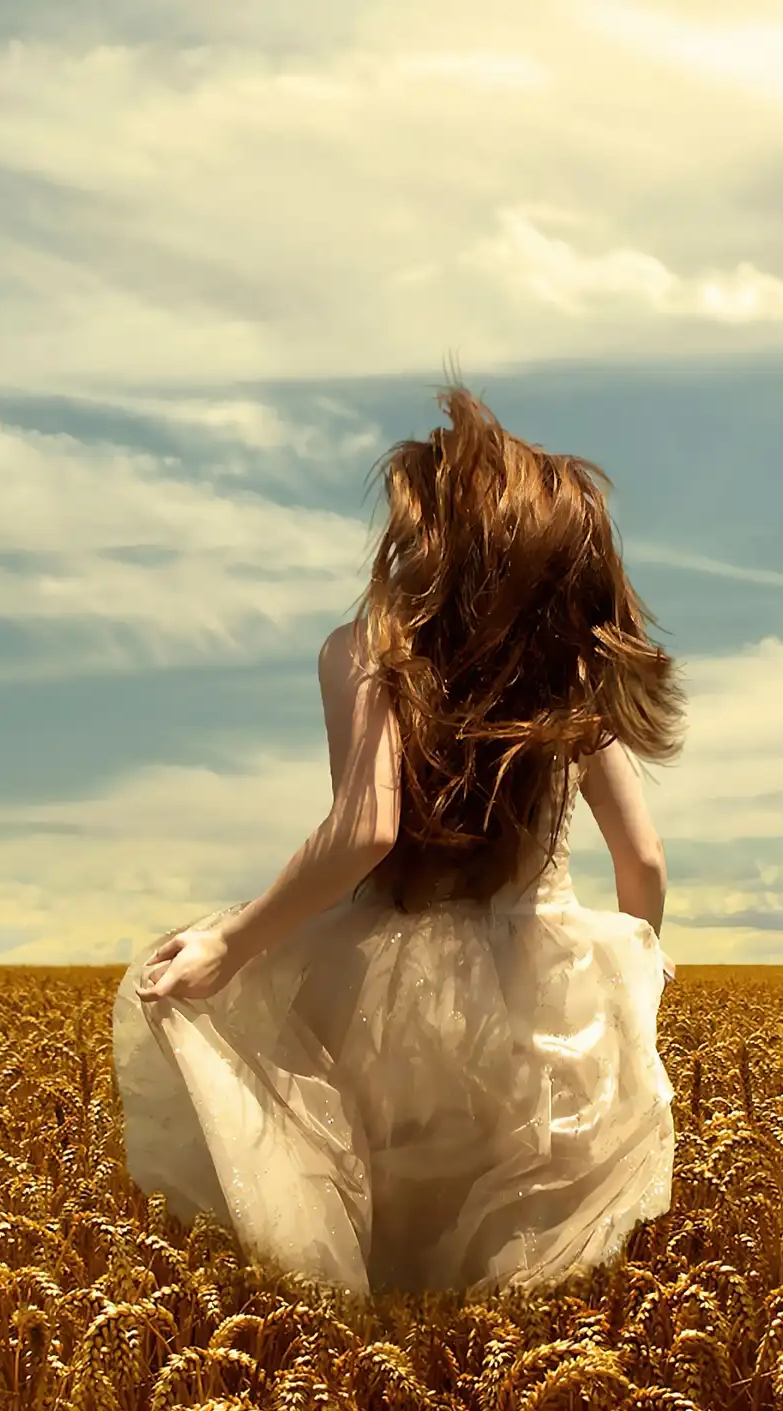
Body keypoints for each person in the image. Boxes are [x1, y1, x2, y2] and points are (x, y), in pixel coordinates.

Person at [111, 384, 684, 1299]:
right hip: (546, 999)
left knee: (385, 1268)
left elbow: (365, 830)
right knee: (513, 1284)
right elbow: (643, 866)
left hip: (390, 1004)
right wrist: (628, 1001)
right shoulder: (568, 673)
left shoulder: (372, 648)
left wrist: (232, 939)